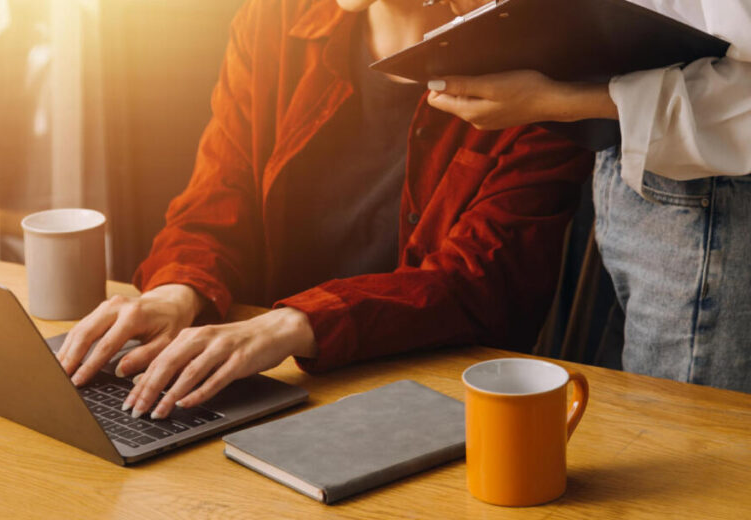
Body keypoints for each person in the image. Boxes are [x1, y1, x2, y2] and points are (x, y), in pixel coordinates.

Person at [57, 0, 593, 419]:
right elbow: (218, 195)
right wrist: (179, 290)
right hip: (260, 377)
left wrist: (294, 325)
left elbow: (481, 288)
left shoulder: (540, 78)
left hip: (433, 398)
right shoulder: (273, 20)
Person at [427, 0, 751, 392]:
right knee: (643, 413)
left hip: (709, 190)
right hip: (631, 166)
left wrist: (559, 102)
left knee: (680, 432)